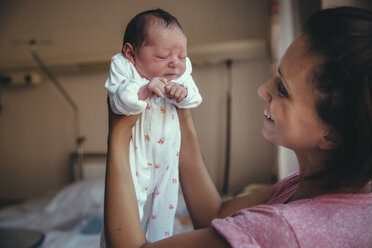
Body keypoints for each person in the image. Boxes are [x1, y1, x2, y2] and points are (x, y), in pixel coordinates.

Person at [103, 7, 372, 247]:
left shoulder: (282, 230)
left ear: (333, 134)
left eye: (282, 88)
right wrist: (181, 114)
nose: (262, 89)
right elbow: (214, 214)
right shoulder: (314, 186)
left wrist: (118, 133)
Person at [103, 8, 202, 243]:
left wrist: (183, 92)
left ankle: (159, 243)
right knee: (128, 207)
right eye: (163, 57)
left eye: (181, 56)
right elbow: (119, 100)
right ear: (131, 53)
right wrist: (143, 90)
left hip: (168, 157)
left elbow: (196, 97)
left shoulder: (181, 71)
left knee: (164, 210)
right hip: (135, 157)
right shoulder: (123, 66)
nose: (174, 65)